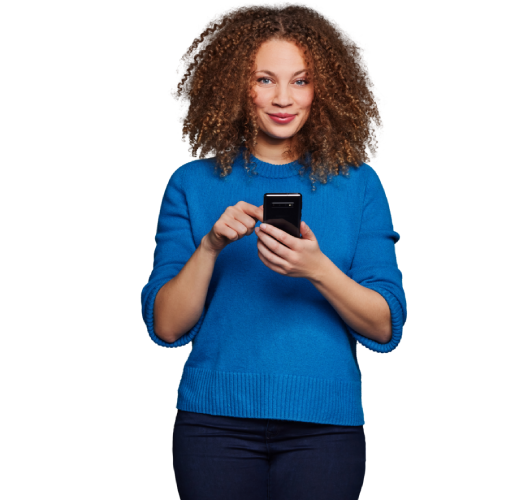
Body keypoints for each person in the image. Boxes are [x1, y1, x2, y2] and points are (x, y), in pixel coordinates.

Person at [140, 2, 406, 499]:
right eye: (265, 80)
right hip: (213, 425)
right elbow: (166, 327)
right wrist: (210, 247)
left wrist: (318, 269)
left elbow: (384, 326)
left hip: (324, 426)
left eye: (300, 81)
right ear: (236, 86)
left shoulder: (357, 185)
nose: (284, 98)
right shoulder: (192, 183)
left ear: (323, 89)